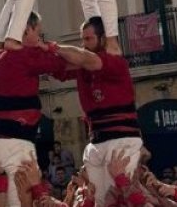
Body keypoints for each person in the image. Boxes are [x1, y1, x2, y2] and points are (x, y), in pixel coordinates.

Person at [0, 12, 101, 207]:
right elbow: (80, 63)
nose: (39, 39)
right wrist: (53, 47)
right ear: (26, 30)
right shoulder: (26, 55)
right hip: (13, 144)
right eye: (39, 33)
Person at [52, 17, 142, 200]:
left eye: (88, 39)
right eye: (82, 39)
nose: (83, 44)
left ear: (102, 39)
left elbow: (86, 59)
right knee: (99, 200)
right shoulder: (82, 64)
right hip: (97, 140)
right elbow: (58, 68)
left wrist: (51, 47)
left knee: (119, 197)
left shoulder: (114, 61)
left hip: (120, 139)